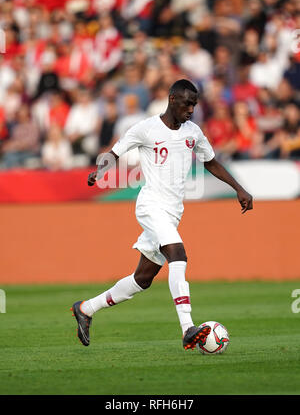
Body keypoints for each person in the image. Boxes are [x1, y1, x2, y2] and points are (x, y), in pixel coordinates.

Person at [71, 79, 253, 349]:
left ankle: (86, 308)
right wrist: (99, 171)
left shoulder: (193, 132)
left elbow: (211, 161)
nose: (191, 109)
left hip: (172, 212)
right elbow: (115, 152)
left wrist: (239, 188)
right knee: (177, 254)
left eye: (194, 104)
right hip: (150, 205)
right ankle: (187, 327)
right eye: (187, 103)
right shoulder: (146, 128)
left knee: (142, 279)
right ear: (172, 99)